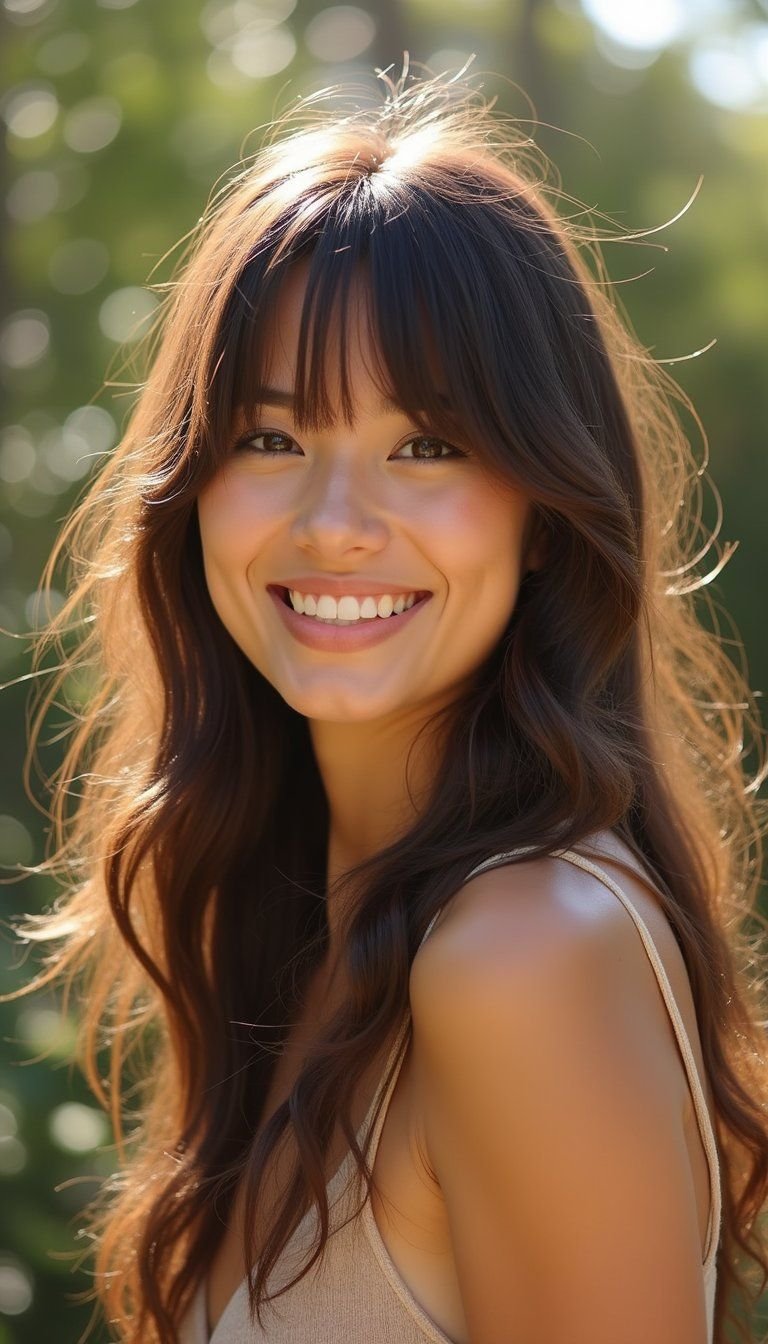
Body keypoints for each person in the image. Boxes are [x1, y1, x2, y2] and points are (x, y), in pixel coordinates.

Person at [5, 60, 768, 1344]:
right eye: (270, 438)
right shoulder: (311, 928)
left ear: (544, 515)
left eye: (428, 445)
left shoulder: (523, 952)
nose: (337, 525)